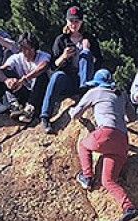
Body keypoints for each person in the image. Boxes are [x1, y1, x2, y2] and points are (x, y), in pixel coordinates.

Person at [69, 69, 138, 221]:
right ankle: (130, 209)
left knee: (83, 146)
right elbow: (132, 117)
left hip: (106, 133)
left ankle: (87, 177)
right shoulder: (120, 93)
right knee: (108, 180)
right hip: (123, 140)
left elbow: (76, 114)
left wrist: (71, 111)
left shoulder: (95, 91)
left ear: (97, 83)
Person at [39, 6, 102, 134]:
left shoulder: (89, 39)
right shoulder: (61, 40)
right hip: (68, 80)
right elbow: (53, 66)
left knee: (85, 55)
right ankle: (45, 117)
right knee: (57, 76)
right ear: (67, 21)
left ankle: (84, 91)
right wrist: (64, 56)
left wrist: (87, 50)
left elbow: (99, 62)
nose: (74, 24)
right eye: (71, 21)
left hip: (85, 80)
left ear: (81, 22)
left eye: (76, 21)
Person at [0, 32, 50, 124]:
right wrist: (7, 80)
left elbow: (43, 67)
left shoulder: (43, 56)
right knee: (6, 74)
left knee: (42, 76)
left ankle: (30, 108)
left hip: (39, 93)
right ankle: (15, 105)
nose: (27, 52)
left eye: (29, 49)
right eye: (23, 49)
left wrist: (25, 79)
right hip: (23, 91)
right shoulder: (16, 58)